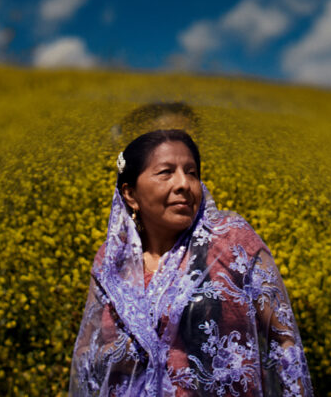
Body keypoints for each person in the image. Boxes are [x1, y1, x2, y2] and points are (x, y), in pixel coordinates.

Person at [69, 129, 314, 396]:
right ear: (130, 194)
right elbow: (85, 354)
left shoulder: (232, 241)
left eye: (192, 172)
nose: (184, 183)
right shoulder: (112, 259)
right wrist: (122, 354)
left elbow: (284, 340)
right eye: (166, 172)